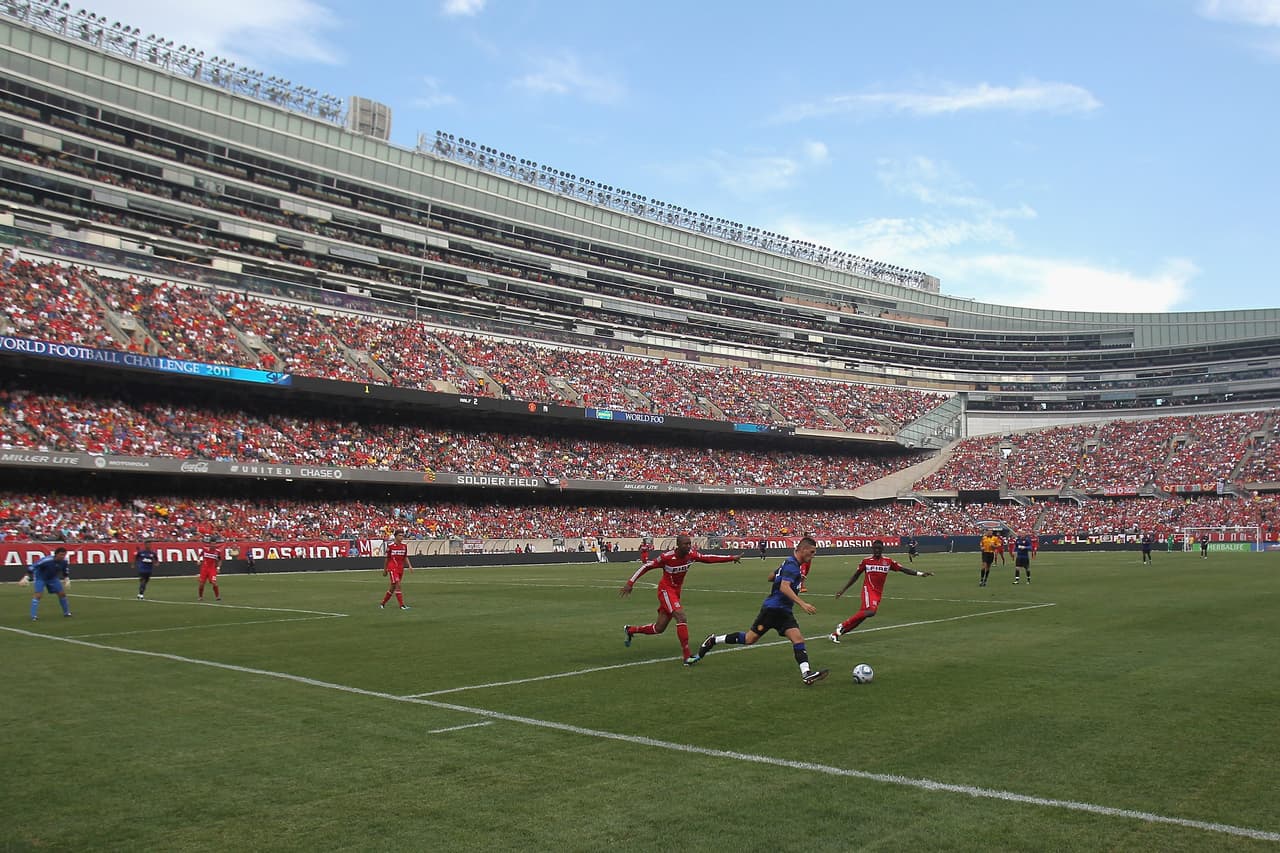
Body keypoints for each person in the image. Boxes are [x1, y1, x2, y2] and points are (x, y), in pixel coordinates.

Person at [696, 536, 829, 685]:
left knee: (796, 639)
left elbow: (771, 577)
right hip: (773, 609)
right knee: (749, 639)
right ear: (803, 549)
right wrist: (802, 603)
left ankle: (806, 674)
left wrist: (779, 577)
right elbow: (784, 587)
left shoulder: (788, 562)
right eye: (812, 552)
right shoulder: (792, 565)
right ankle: (714, 640)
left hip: (783, 610)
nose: (813, 555)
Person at [620, 533, 741, 665]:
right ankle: (687, 656)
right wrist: (630, 583)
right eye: (686, 544)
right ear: (678, 545)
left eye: (689, 543)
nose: (689, 546)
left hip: (675, 593)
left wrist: (731, 558)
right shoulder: (666, 557)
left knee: (659, 628)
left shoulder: (691, 555)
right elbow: (646, 566)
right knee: (681, 617)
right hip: (666, 591)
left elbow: (708, 558)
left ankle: (631, 630)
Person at [829, 539, 931, 643]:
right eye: (875, 548)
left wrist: (920, 573)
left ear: (882, 549)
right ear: (872, 549)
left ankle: (835, 634)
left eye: (879, 548)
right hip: (868, 590)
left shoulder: (887, 561)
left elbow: (903, 569)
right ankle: (843, 625)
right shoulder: (866, 561)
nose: (877, 550)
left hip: (878, 593)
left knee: (862, 617)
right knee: (871, 612)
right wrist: (843, 590)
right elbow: (855, 576)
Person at [26, 547, 72, 621]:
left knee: (62, 594)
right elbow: (33, 566)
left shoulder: (64, 561)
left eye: (64, 555)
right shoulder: (46, 560)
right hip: (40, 578)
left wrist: (66, 579)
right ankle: (33, 616)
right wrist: (26, 576)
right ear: (56, 554)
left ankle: (66, 613)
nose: (62, 556)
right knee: (38, 595)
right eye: (61, 555)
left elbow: (65, 570)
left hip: (53, 578)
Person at [380, 532, 413, 610]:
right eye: (400, 535)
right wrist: (385, 570)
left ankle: (383, 603)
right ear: (395, 536)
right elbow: (387, 559)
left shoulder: (404, 546)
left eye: (402, 536)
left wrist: (410, 566)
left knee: (393, 587)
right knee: (398, 584)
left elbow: (405, 557)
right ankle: (402, 605)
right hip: (392, 568)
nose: (401, 537)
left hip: (400, 568)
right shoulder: (391, 546)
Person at [198, 538, 222, 602]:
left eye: (214, 544)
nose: (213, 545)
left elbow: (219, 560)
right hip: (204, 569)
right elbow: (199, 555)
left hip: (212, 569)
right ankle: (200, 596)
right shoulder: (205, 550)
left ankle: (217, 596)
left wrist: (218, 568)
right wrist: (198, 560)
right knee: (201, 584)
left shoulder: (218, 552)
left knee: (214, 583)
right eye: (212, 544)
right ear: (210, 544)